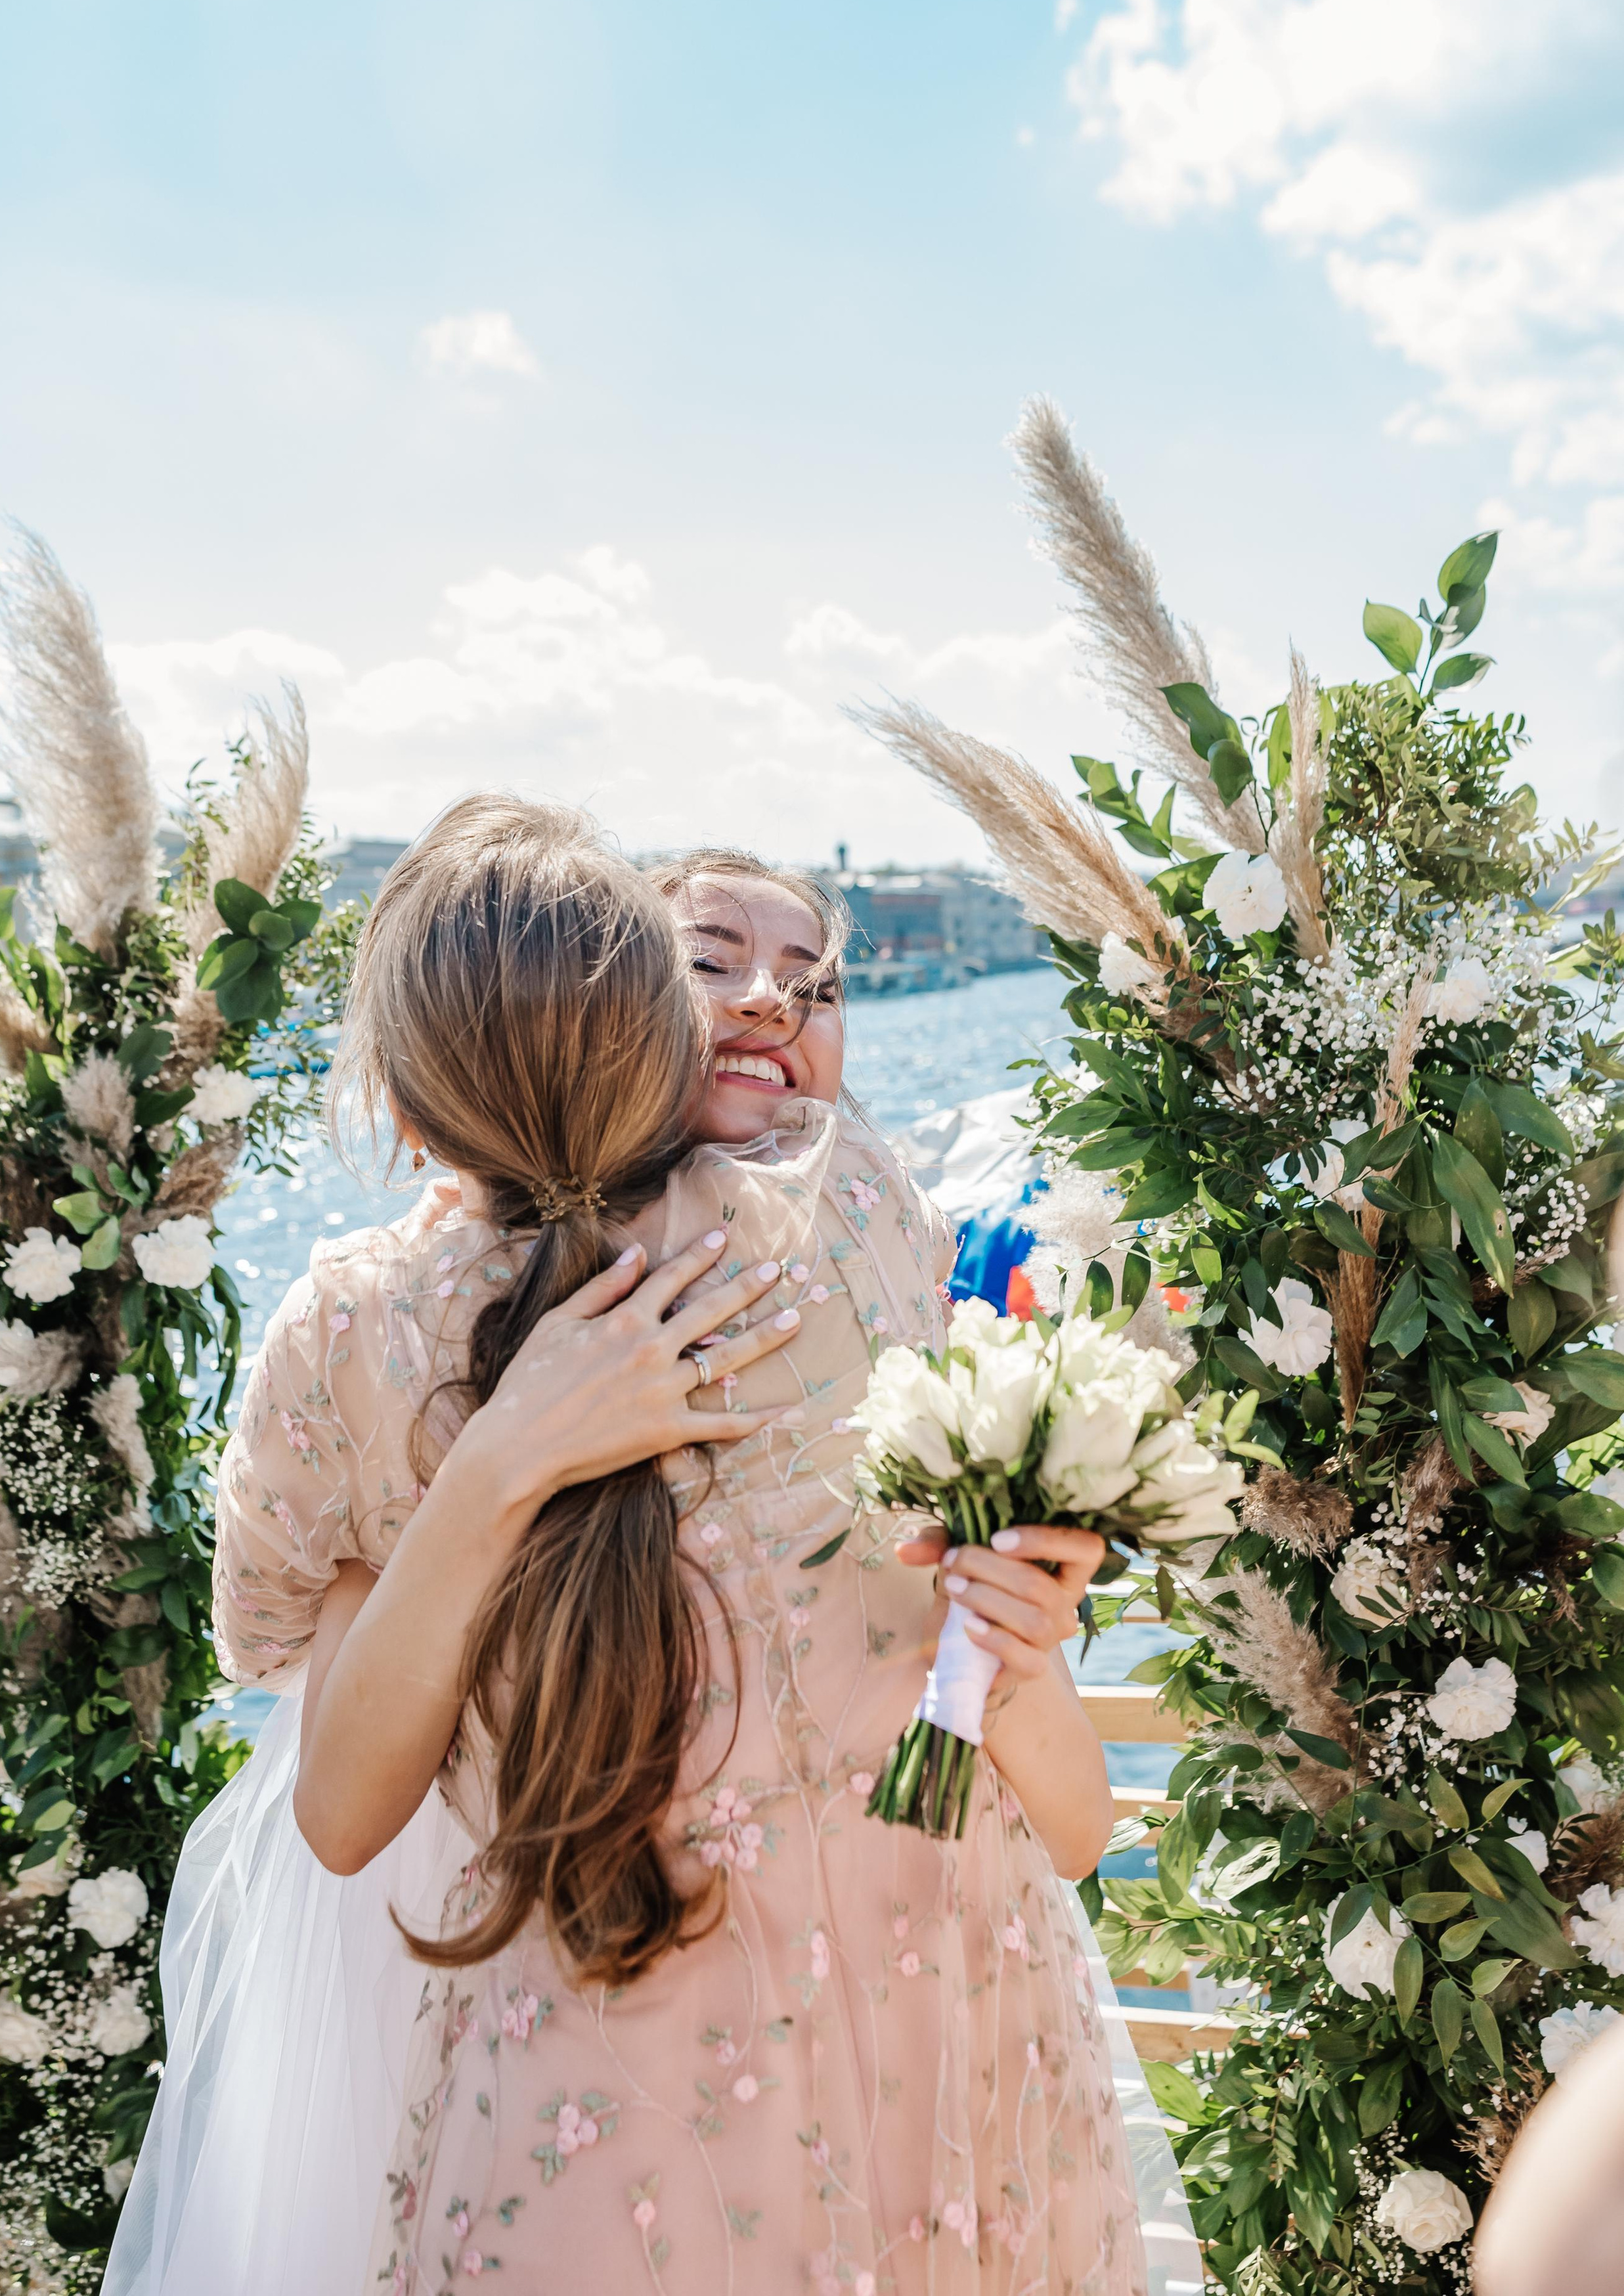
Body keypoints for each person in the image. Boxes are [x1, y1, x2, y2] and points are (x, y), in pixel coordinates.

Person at [111, 805, 1193, 2294]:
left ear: (407, 1100)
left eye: (811, 983)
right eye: (711, 966)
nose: (773, 1005)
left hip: (601, 2088)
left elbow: (343, 1815)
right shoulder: (843, 1206)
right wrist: (510, 1452)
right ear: (642, 1024)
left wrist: (492, 1459)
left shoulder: (354, 1331)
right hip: (935, 2000)